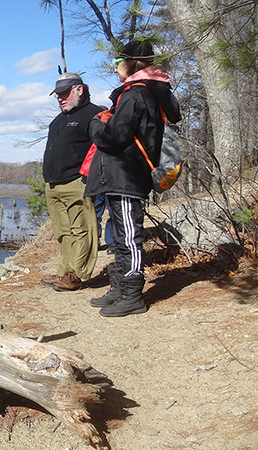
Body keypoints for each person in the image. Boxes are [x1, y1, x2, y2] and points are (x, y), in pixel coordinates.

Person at [86, 40, 181, 317]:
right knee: (119, 236)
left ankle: (133, 294)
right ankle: (119, 287)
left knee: (128, 236)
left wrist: (96, 123)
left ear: (132, 63)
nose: (116, 69)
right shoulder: (135, 93)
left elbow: (113, 136)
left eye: (118, 63)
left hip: (127, 175)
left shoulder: (137, 94)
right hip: (120, 176)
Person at [39, 72, 104, 292]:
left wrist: (90, 178)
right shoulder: (58, 120)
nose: (60, 98)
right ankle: (64, 271)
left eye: (65, 93)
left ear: (79, 90)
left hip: (77, 183)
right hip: (53, 185)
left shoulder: (96, 114)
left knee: (82, 229)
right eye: (57, 95)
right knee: (63, 232)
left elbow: (103, 150)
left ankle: (76, 275)